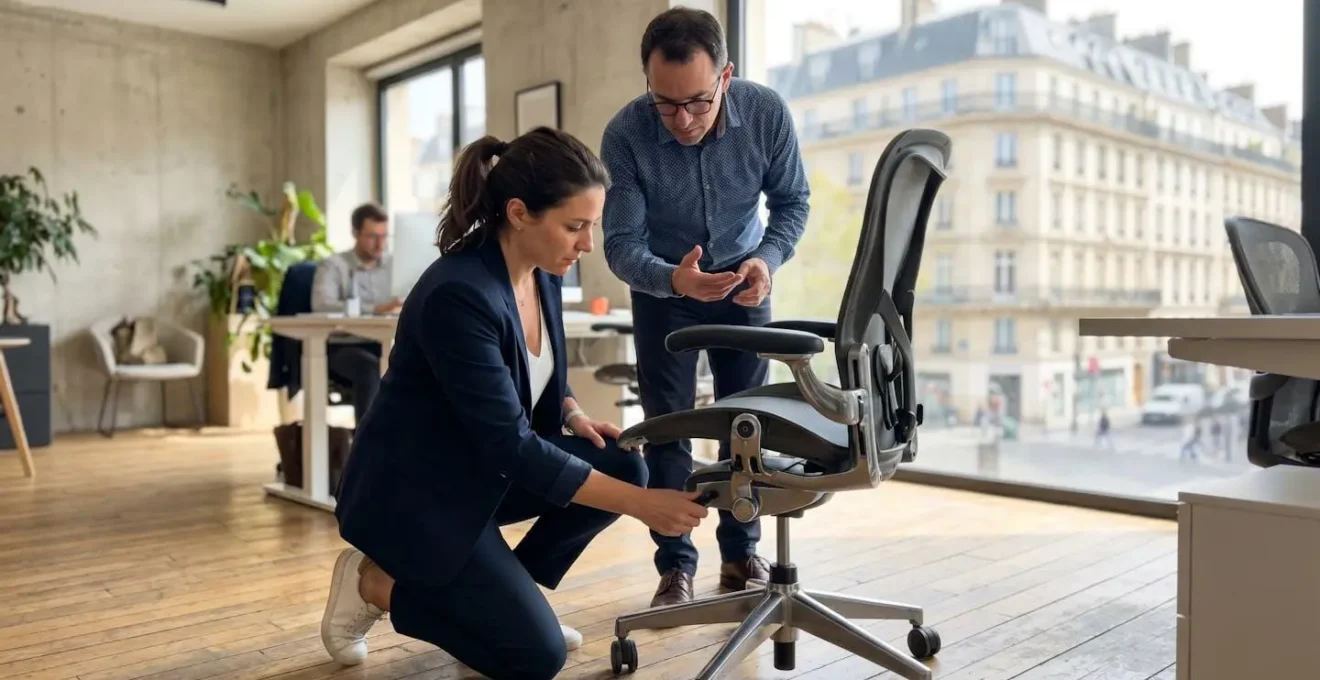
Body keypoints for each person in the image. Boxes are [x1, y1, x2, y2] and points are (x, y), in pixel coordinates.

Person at [319, 127, 711, 680]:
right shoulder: (459, 294)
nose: (587, 245)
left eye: (592, 226)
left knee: (625, 461)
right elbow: (511, 443)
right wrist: (641, 506)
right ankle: (374, 582)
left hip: (478, 473)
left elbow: (534, 375)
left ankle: (502, 605)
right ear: (520, 212)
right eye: (575, 227)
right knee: (535, 657)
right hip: (415, 497)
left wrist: (571, 411)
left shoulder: (540, 270)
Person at [600, 6, 811, 607]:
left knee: (745, 426)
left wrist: (766, 259)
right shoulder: (626, 134)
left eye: (696, 100)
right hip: (665, 292)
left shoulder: (766, 112)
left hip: (746, 286)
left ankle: (741, 555)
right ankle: (676, 567)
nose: (682, 120)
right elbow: (619, 245)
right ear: (648, 84)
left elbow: (792, 202)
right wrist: (675, 280)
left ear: (725, 75)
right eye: (665, 104)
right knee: (670, 431)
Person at [311, 203, 403, 423]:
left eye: (384, 236)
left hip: (385, 343)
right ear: (355, 233)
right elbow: (322, 304)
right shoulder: (334, 265)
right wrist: (375, 309)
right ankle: (367, 447)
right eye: (372, 236)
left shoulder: (394, 265)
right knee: (368, 367)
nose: (380, 244)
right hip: (343, 345)